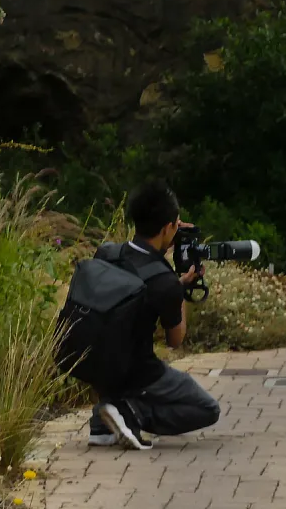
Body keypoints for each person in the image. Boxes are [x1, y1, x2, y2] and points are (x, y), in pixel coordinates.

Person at [87, 179, 221, 450]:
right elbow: (175, 339)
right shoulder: (164, 281)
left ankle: (102, 424)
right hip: (140, 373)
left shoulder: (106, 254)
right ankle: (131, 414)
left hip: (95, 365)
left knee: (115, 349)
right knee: (207, 408)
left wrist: (171, 277)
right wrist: (180, 289)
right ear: (167, 227)